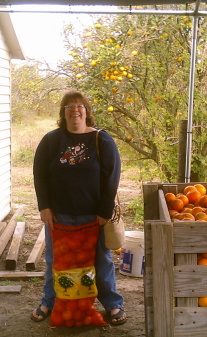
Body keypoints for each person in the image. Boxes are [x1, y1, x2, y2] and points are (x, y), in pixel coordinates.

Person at [31, 90, 127, 326]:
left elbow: (111, 177)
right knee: (56, 259)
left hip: (93, 216)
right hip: (59, 216)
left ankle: (112, 304)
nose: (75, 110)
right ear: (63, 113)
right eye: (69, 106)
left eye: (80, 106)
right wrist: (44, 207)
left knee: (100, 260)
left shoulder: (101, 140)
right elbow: (40, 175)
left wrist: (105, 211)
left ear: (87, 111)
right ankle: (49, 301)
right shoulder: (51, 141)